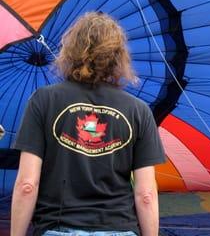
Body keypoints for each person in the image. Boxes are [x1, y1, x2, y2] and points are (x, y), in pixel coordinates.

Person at [11, 12, 165, 236]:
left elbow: (27, 185)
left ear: (70, 51)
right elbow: (146, 195)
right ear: (118, 57)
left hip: (57, 228)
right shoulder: (138, 110)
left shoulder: (43, 100)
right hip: (119, 229)